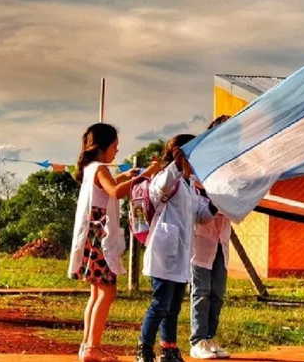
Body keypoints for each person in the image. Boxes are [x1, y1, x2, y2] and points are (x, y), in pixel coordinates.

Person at [68, 123, 161, 362]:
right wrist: (145, 175)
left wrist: (125, 176)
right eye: (114, 147)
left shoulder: (92, 168)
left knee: (97, 292)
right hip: (100, 236)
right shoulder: (100, 168)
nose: (116, 152)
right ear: (102, 147)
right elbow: (115, 192)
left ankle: (87, 345)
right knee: (107, 292)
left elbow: (108, 186)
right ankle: (92, 347)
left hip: (91, 235)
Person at [136, 134, 219, 362]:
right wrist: (177, 163)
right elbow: (160, 188)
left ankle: (169, 349)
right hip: (164, 252)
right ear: (181, 155)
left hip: (181, 255)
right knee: (160, 304)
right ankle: (144, 349)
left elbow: (201, 216)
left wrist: (215, 203)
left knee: (173, 307)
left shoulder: (190, 184)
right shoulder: (165, 178)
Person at [190, 115, 233, 359]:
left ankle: (210, 337)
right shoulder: (199, 169)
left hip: (221, 241)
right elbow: (197, 212)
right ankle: (198, 340)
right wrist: (217, 204)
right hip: (202, 240)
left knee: (217, 293)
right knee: (201, 291)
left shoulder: (232, 169)